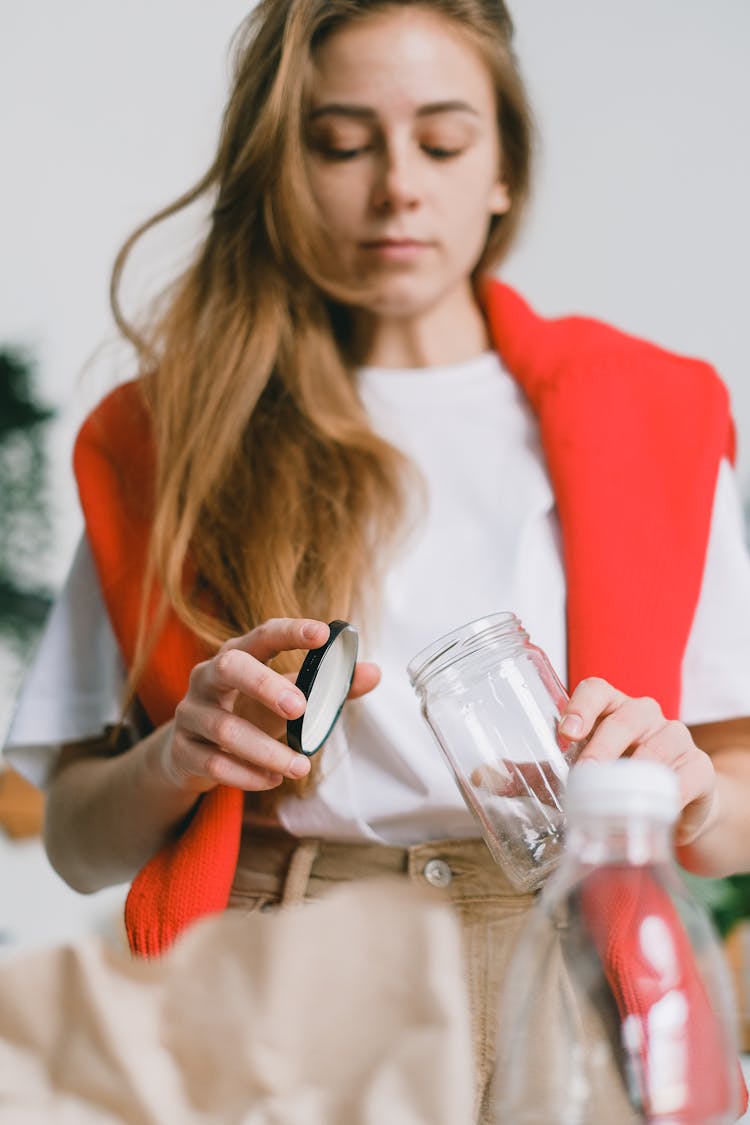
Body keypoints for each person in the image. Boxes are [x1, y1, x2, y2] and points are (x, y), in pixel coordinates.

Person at [5, 0, 750, 1118]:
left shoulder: (654, 413)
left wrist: (681, 790)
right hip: (282, 965)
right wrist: (178, 756)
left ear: (504, 169)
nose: (399, 186)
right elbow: (70, 838)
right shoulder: (171, 434)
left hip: (577, 958)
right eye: (341, 143)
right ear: (282, 168)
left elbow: (735, 805)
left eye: (443, 142)